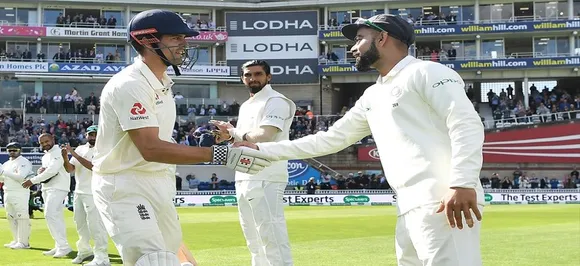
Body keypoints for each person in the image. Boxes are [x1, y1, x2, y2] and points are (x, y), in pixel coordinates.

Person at [235, 14, 485, 266]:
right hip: (408, 204)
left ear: (382, 37)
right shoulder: (372, 95)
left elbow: (466, 123)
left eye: (359, 39)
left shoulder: (427, 71)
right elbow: (329, 140)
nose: (353, 48)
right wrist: (261, 149)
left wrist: (462, 183)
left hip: (445, 199)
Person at [91, 9, 277, 266]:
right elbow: (151, 148)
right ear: (147, 41)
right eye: (176, 37)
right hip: (124, 183)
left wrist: (222, 142)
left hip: (159, 180)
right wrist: (222, 155)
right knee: (153, 260)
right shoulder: (130, 84)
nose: (184, 44)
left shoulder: (163, 82)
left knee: (172, 257)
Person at [211, 60, 296, 266]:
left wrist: (233, 132)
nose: (253, 78)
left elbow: (265, 135)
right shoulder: (248, 105)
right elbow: (245, 141)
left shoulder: (276, 101)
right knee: (253, 239)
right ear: (242, 78)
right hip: (244, 175)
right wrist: (229, 137)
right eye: (248, 75)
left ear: (269, 77)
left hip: (268, 175)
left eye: (258, 74)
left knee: (271, 234)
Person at [62, 125, 111, 266]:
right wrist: (66, 157)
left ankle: (102, 258)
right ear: (86, 136)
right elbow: (70, 169)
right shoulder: (80, 148)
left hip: (95, 192)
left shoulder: (103, 149)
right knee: (80, 224)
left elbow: (93, 167)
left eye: (95, 134)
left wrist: (74, 154)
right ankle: (84, 252)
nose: (93, 137)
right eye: (90, 134)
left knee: (96, 225)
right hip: (79, 191)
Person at [22, 133, 72, 258]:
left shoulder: (59, 152)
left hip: (58, 187)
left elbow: (52, 171)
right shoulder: (46, 156)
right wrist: (40, 171)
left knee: (49, 214)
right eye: (42, 143)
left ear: (53, 139)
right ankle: (59, 245)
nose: (45, 144)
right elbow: (45, 170)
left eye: (47, 141)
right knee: (57, 217)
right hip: (47, 188)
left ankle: (63, 247)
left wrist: (32, 181)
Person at [0, 142, 33, 249]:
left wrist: (4, 172)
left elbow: (21, 177)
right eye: (10, 150)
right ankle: (16, 240)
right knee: (10, 217)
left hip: (20, 192)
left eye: (15, 150)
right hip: (7, 191)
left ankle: (23, 242)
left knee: (21, 216)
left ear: (20, 150)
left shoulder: (24, 162)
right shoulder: (6, 163)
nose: (12, 152)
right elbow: (2, 179)